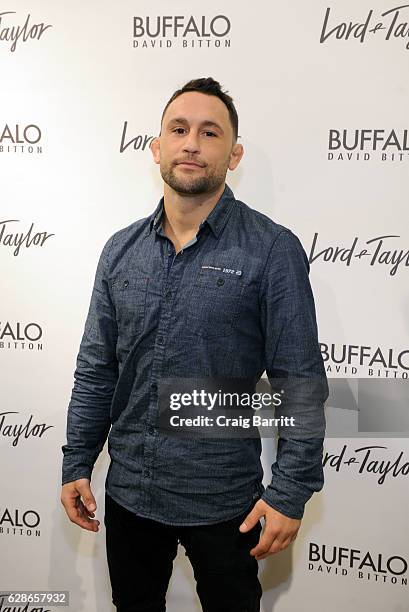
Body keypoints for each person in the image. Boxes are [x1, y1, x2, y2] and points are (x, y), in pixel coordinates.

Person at [61, 77, 328, 612]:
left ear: (233, 154)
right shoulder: (120, 251)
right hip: (130, 493)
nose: (191, 143)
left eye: (210, 133)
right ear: (157, 147)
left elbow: (298, 382)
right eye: (178, 130)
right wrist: (77, 461)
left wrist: (290, 491)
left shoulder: (272, 250)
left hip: (226, 502)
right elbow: (96, 371)